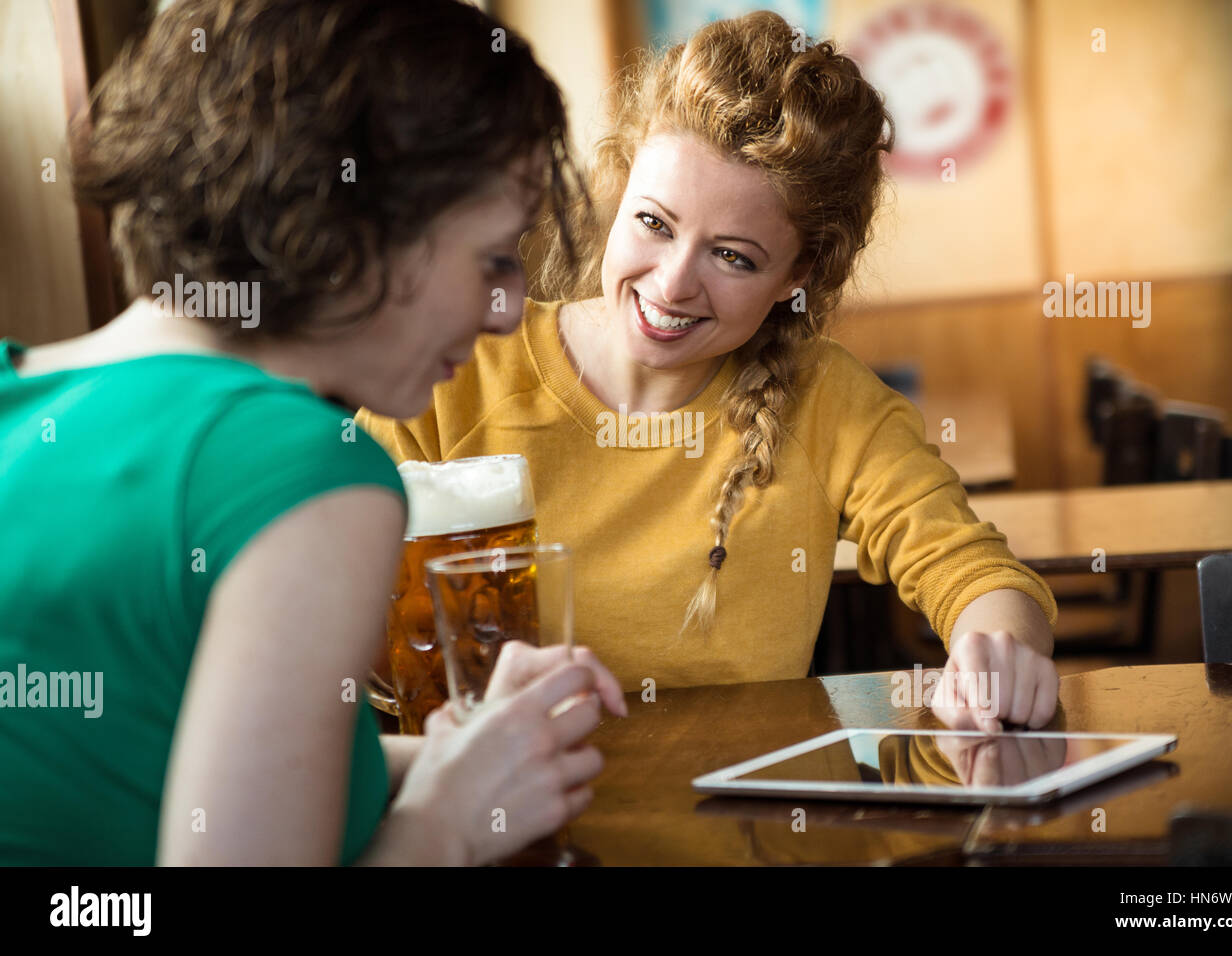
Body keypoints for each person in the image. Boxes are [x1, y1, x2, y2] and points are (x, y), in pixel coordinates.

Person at [0, 0, 625, 867]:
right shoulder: (304, 471)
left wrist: (456, 758)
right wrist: (449, 822)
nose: (511, 308)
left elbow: (141, 763)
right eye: (491, 257)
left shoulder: (20, 394)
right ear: (350, 231)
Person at [358, 11, 1060, 732]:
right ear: (620, 189)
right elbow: (323, 611)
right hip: (495, 821)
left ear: (799, 274)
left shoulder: (828, 401)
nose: (671, 285)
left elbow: (976, 573)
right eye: (654, 224)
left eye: (733, 256)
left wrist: (995, 650)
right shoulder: (455, 368)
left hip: (742, 833)